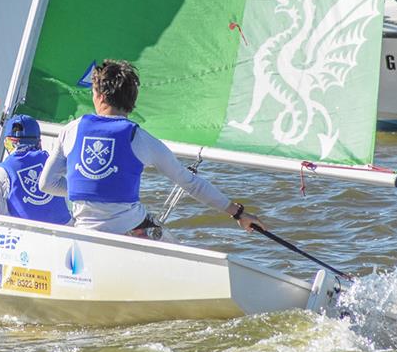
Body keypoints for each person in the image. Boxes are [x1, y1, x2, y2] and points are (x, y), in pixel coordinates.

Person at [39, 60, 265, 236]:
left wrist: (91, 185)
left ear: (98, 95)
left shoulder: (70, 130)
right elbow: (191, 184)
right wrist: (238, 213)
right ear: (133, 101)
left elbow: (46, 184)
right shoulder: (142, 139)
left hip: (84, 233)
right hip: (132, 231)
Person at [0, 114, 72, 225]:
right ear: (38, 141)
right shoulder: (52, 161)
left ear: (7, 142)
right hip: (66, 233)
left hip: (25, 237)